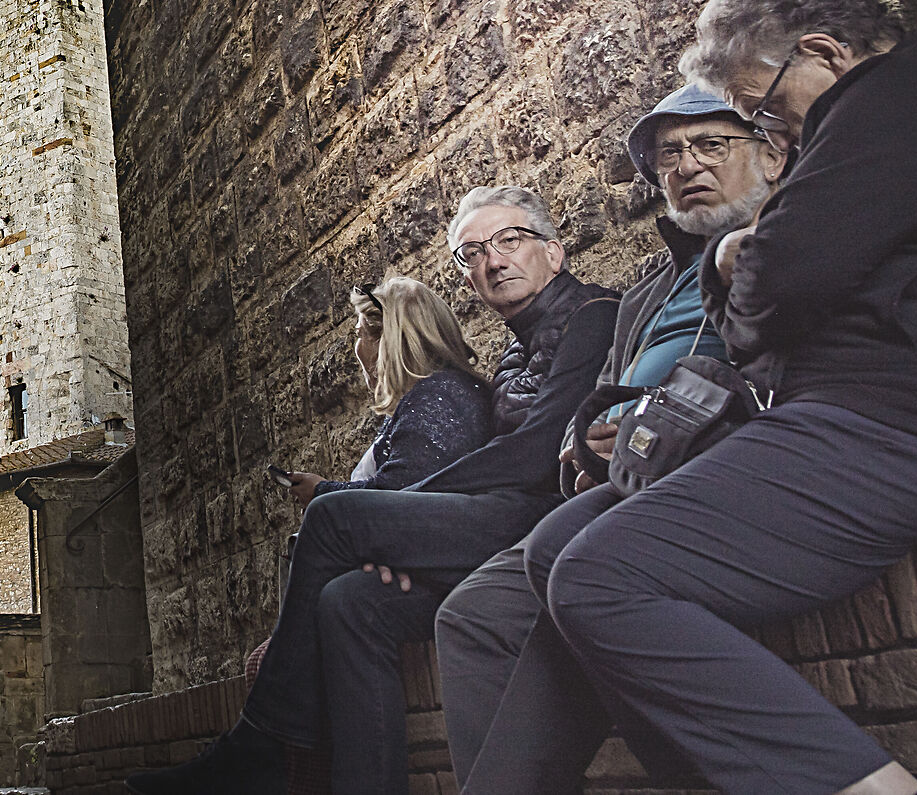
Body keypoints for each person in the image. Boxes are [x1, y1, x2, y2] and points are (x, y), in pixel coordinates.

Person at [531, 0, 917, 795]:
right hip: (840, 413)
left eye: (760, 110)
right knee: (557, 547)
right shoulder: (865, 118)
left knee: (598, 576)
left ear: (823, 53)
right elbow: (758, 321)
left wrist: (733, 257)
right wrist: (752, 273)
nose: (773, 133)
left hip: (896, 419)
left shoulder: (899, 96)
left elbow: (780, 283)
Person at [132, 186, 617, 795]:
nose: (493, 261)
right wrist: (402, 541)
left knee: (335, 518)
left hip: (543, 522)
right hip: (499, 532)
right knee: (350, 604)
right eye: (472, 253)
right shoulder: (513, 353)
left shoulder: (592, 315)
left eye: (509, 241)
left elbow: (534, 451)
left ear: (555, 252)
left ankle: (257, 747)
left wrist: (395, 518)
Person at [436, 84, 785, 792]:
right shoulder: (650, 284)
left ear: (772, 155)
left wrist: (654, 422)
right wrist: (590, 441)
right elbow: (600, 395)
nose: (686, 164)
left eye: (711, 144)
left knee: (567, 559)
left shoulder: (789, 239)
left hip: (716, 463)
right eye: (668, 155)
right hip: (622, 475)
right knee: (472, 613)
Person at [280, 277, 491, 503]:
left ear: (387, 340)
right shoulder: (437, 394)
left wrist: (322, 491)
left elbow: (399, 491)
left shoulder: (434, 399)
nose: (356, 347)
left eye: (359, 334)